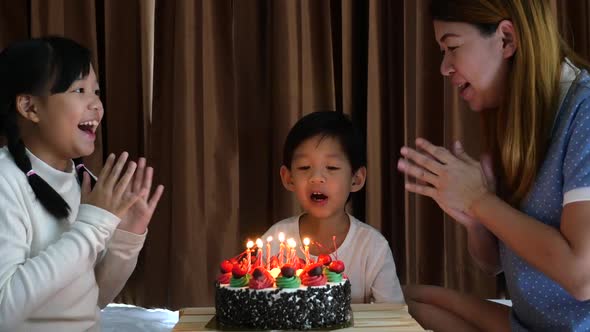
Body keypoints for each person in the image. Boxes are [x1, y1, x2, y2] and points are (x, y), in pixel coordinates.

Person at [397, 0, 590, 331]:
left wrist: (479, 201)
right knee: (396, 299)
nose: (444, 67)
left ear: (506, 39)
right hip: (530, 322)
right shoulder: (517, 116)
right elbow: (493, 263)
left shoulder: (583, 112)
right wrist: (476, 221)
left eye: (452, 47)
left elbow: (581, 276)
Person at [0, 36, 164, 331]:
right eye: (79, 90)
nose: (97, 106)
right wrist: (91, 227)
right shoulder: (5, 181)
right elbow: (5, 311)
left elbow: (93, 299)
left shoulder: (86, 182)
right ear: (30, 107)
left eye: (96, 91)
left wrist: (127, 237)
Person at [262, 111, 404, 304]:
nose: (317, 177)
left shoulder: (372, 247)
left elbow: (393, 317)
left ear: (356, 179)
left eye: (332, 167)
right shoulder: (274, 242)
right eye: (304, 167)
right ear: (288, 178)